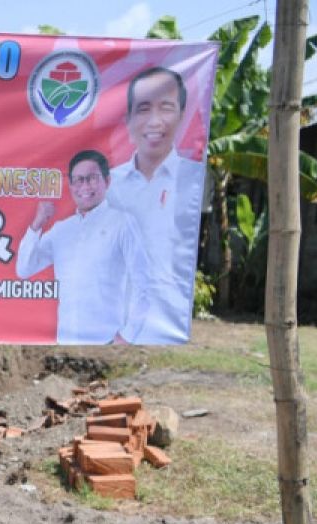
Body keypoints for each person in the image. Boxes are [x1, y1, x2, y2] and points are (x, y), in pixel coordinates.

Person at [107, 66, 207, 344]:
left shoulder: (193, 180)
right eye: (143, 109)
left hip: (166, 327)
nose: (154, 121)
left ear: (181, 115)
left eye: (166, 108)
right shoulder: (108, 185)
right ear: (128, 120)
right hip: (109, 327)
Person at [17, 149, 152, 344]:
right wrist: (36, 224)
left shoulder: (122, 222)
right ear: (71, 186)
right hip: (66, 341)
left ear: (107, 181)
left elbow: (143, 282)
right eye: (78, 180)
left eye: (92, 178)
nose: (85, 186)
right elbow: (24, 269)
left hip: (106, 342)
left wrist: (127, 335)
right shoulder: (62, 229)